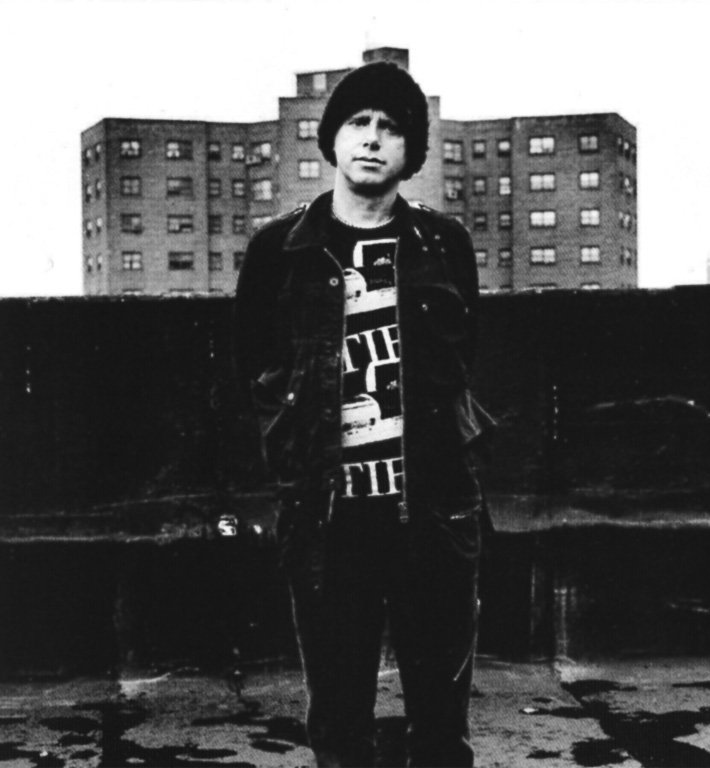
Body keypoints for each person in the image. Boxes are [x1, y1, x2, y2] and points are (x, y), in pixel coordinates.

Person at [234, 61, 494, 767]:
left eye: (392, 128)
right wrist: (294, 467)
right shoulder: (279, 250)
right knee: (340, 723)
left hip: (432, 516)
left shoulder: (443, 244)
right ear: (332, 139)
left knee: (440, 728)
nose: (373, 139)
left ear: (412, 152)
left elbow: (461, 362)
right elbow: (255, 371)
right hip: (329, 521)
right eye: (358, 123)